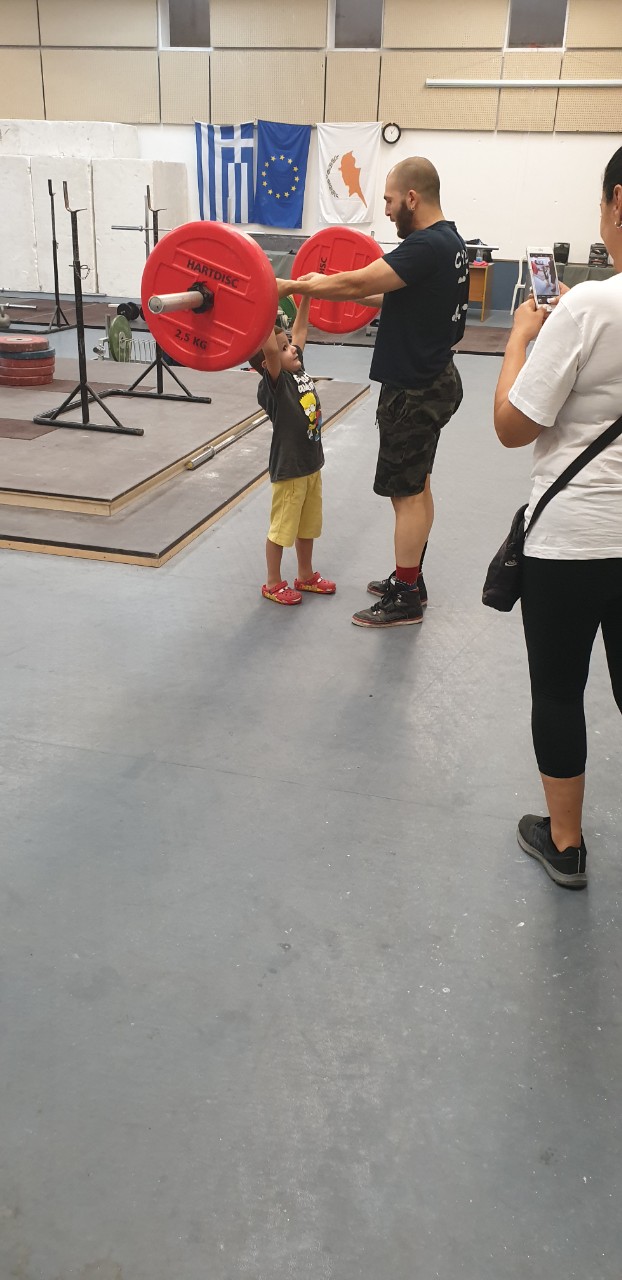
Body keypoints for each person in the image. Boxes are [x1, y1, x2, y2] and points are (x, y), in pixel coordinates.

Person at [493, 145, 622, 890]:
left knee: (559, 690)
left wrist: (521, 338)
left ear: (617, 204)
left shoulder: (587, 307)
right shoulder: (588, 307)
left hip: (572, 539)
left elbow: (514, 425)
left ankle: (565, 844)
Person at [277, 156, 468, 628]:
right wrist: (322, 289)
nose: (384, 209)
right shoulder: (451, 243)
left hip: (414, 390)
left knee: (406, 495)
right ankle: (411, 579)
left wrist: (293, 285)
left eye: (388, 199)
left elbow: (359, 280)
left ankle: (405, 597)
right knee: (419, 487)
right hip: (436, 379)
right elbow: (386, 293)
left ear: (411, 198)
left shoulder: (424, 245)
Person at [249, 295, 336, 606]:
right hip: (290, 470)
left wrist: (306, 294)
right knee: (282, 530)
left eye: (290, 346)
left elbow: (300, 331)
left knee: (307, 525)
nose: (293, 349)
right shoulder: (275, 383)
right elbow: (271, 350)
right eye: (285, 348)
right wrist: (262, 306)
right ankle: (273, 583)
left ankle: (305, 575)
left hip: (311, 464)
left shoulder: (297, 371)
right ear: (267, 364)